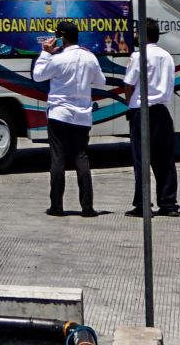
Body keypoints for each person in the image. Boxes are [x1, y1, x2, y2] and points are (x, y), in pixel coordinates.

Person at [33, 20, 108, 216]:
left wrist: (45, 53)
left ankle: (57, 206)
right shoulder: (90, 57)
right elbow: (101, 81)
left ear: (62, 37)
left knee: (58, 159)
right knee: (81, 158)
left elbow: (38, 76)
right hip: (82, 116)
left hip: (59, 114)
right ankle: (87, 207)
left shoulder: (57, 58)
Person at [120, 19, 180, 218]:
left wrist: (130, 103)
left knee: (141, 160)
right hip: (162, 111)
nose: (134, 36)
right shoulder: (167, 56)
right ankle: (168, 203)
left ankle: (142, 204)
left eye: (137, 32)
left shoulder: (138, 56)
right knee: (165, 160)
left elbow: (129, 84)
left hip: (142, 111)